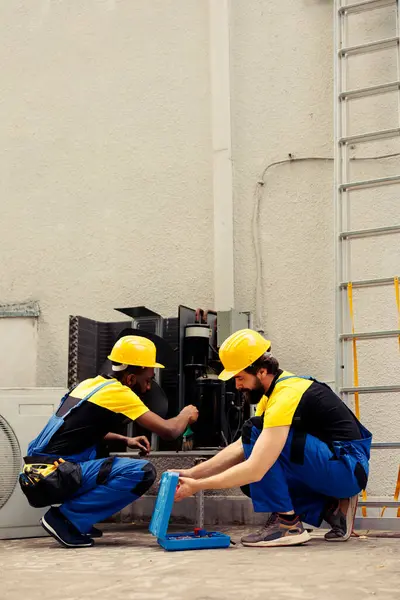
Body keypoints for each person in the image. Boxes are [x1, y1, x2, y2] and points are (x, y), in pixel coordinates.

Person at [174, 329, 372, 547]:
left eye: (240, 377)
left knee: (255, 460)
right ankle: (332, 508)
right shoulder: (273, 393)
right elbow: (242, 445)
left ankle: (287, 525)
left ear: (261, 371)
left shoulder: (287, 393)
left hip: (348, 468)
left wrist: (197, 486)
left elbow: (257, 467)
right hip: (337, 466)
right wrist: (189, 473)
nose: (237, 386)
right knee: (251, 483)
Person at [20, 335, 198, 549]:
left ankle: (80, 520)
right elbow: (169, 431)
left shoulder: (89, 385)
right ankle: (66, 520)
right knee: (141, 471)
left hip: (38, 472)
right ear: (130, 378)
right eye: (147, 380)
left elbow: (80, 431)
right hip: (55, 475)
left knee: (98, 450)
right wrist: (186, 414)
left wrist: (126, 439)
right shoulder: (120, 392)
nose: (149, 388)